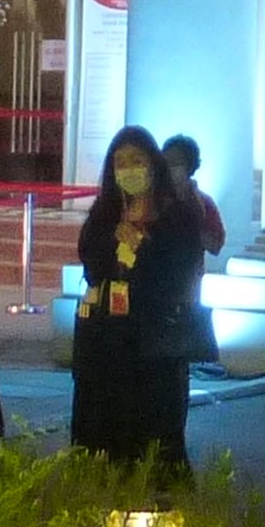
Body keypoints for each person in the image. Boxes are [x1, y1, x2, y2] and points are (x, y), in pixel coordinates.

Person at [70, 124, 202, 469]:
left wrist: (144, 247)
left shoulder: (178, 218)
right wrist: (115, 244)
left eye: (137, 160)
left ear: (153, 165)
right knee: (102, 442)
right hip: (105, 344)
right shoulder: (103, 214)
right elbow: (91, 267)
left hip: (156, 347)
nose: (129, 170)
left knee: (154, 446)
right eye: (120, 163)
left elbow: (180, 274)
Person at [164, 131, 230, 372]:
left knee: (180, 357)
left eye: (176, 163)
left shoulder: (203, 203)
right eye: (166, 162)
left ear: (190, 166)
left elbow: (216, 244)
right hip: (154, 288)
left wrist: (192, 225)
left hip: (187, 288)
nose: (170, 169)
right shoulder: (153, 201)